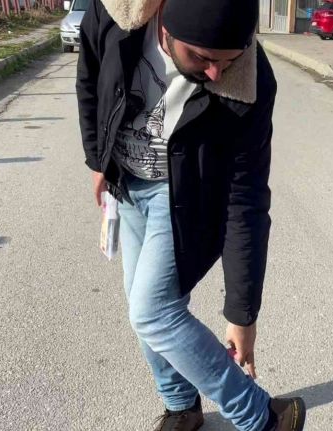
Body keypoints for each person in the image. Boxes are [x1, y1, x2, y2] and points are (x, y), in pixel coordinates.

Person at [76, 0, 306, 430]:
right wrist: (97, 160)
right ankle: (182, 405)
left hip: (184, 194)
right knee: (142, 306)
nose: (217, 73)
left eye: (228, 60)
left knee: (152, 311)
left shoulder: (253, 80)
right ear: (164, 26)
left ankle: (264, 417)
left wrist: (242, 315)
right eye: (201, 57)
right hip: (128, 183)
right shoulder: (118, 12)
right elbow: (90, 74)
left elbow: (247, 198)